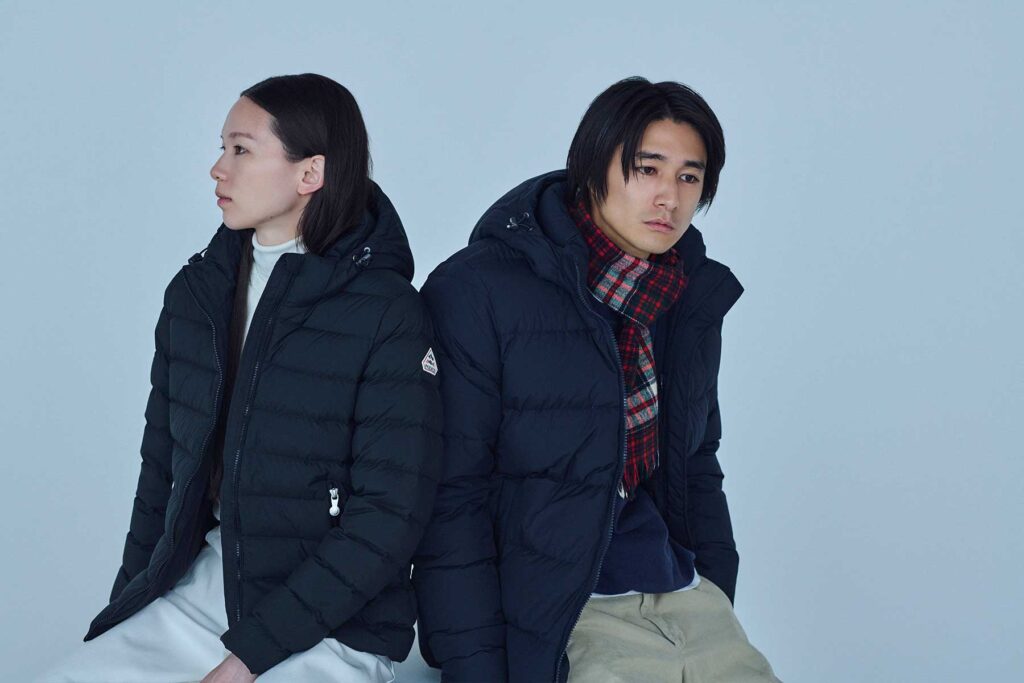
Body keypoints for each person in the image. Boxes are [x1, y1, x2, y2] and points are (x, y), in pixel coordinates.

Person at [39, 73, 442, 683]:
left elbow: (389, 516)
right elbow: (161, 478)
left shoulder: (387, 314)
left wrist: (249, 657)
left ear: (310, 173)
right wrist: (126, 610)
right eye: (222, 148)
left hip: (331, 629)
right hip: (198, 597)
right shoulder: (197, 296)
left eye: (241, 150)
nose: (217, 170)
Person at [413, 77, 779, 682]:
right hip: (559, 615)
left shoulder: (683, 295)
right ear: (592, 169)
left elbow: (695, 459)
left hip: (685, 597)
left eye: (689, 177)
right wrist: (475, 669)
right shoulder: (478, 291)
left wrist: (716, 586)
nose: (669, 198)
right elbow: (450, 498)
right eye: (647, 169)